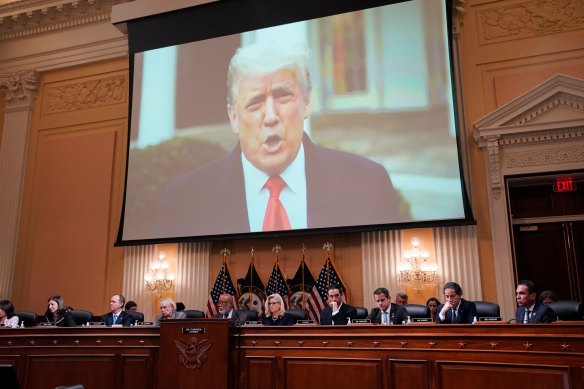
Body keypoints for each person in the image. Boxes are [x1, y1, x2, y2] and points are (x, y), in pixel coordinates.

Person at [153, 40, 404, 237]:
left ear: (306, 102)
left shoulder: (367, 183)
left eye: (283, 96)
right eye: (254, 103)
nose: (271, 117)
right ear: (233, 117)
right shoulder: (183, 199)